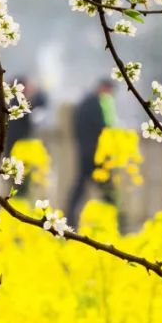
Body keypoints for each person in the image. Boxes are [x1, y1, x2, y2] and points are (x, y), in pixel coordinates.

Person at [67, 79, 117, 226]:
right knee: (107, 188)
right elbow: (102, 127)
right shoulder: (94, 104)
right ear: (103, 88)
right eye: (109, 91)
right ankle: (112, 220)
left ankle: (71, 218)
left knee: (81, 188)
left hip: (87, 152)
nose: (110, 95)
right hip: (94, 154)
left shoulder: (86, 102)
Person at [5, 76, 49, 155]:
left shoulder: (11, 103)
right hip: (19, 146)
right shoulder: (19, 104)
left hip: (13, 146)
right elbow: (32, 116)